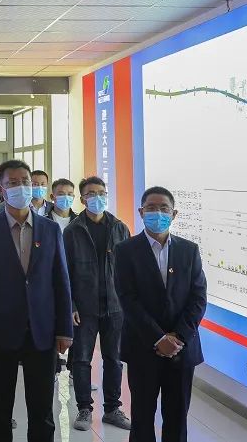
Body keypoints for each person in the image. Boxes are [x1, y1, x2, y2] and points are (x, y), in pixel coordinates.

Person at [0, 160, 73, 442]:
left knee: (42, 410)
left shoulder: (50, 229)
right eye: (12, 183)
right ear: (2, 189)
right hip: (0, 331)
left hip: (42, 330)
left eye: (25, 181)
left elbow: (61, 282)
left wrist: (65, 329)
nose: (21, 187)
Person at [115, 186, 206, 442]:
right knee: (142, 416)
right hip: (143, 347)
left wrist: (178, 337)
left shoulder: (189, 250)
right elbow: (128, 299)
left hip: (181, 348)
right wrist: (158, 338)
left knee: (177, 417)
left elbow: (198, 298)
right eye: (151, 208)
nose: (158, 213)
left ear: (174, 214)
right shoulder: (125, 251)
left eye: (164, 208)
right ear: (141, 212)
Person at [62, 177, 131, 431]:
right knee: (81, 359)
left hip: (115, 307)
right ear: (83, 199)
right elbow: (64, 273)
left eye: (101, 192)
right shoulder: (73, 231)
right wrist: (70, 305)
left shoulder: (119, 228)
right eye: (91, 193)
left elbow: (129, 270)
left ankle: (112, 409)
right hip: (84, 307)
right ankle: (84, 409)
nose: (97, 197)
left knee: (114, 359)